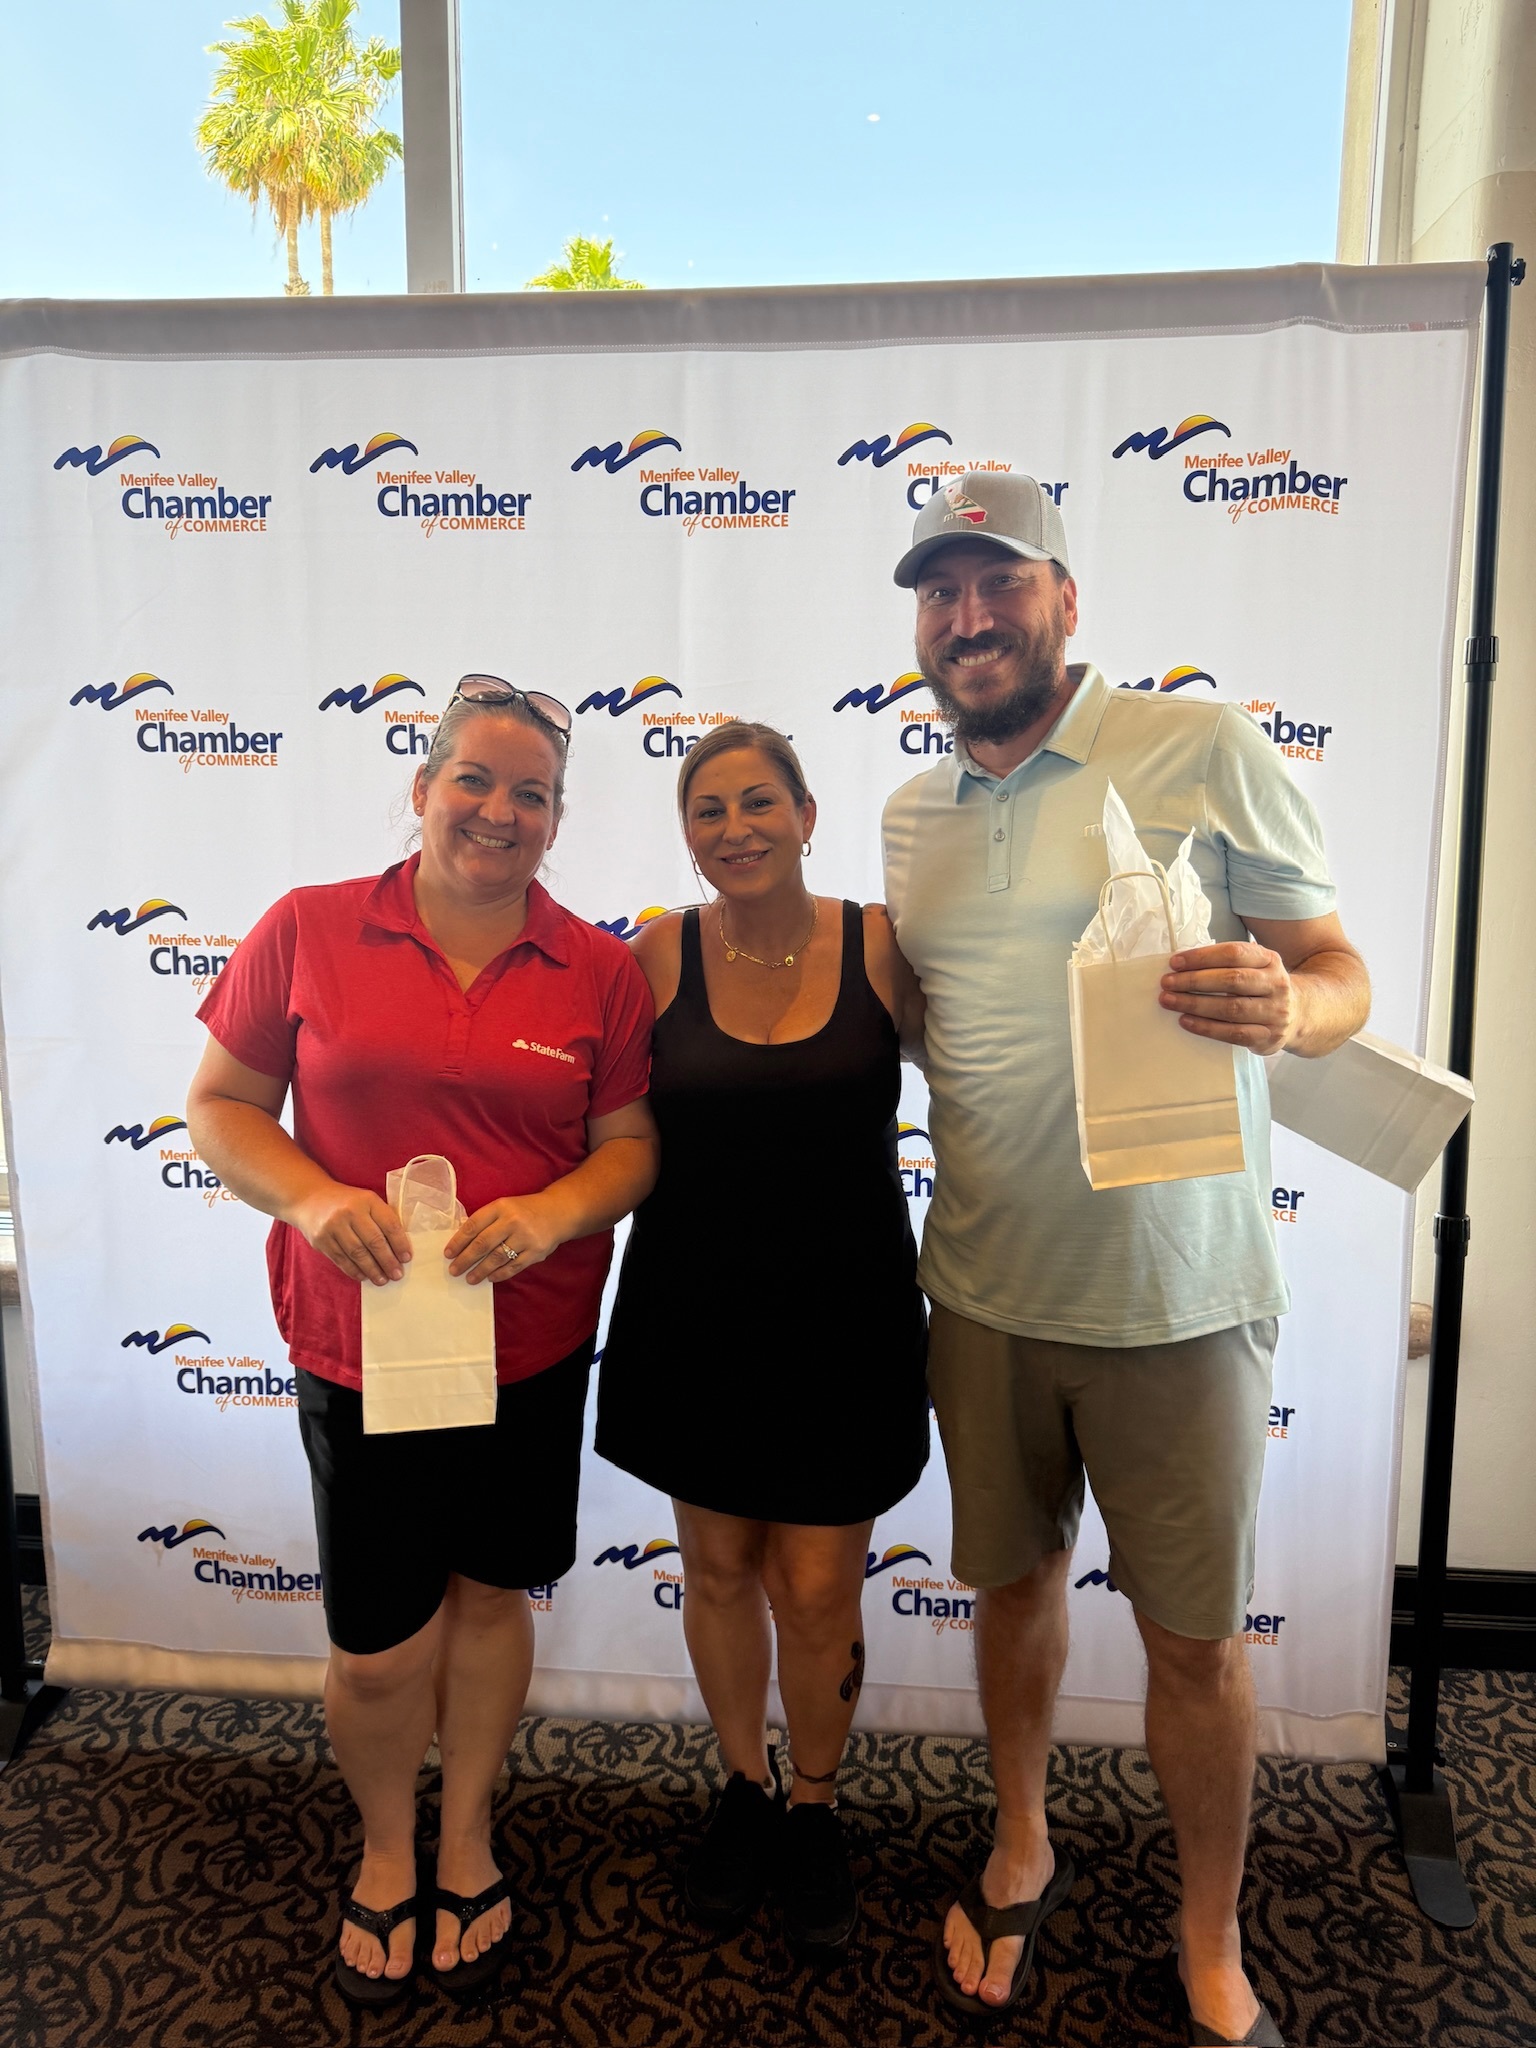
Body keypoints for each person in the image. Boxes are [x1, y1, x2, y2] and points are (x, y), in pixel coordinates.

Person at [881, 476, 1370, 2045]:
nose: (970, 618)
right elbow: (931, 1029)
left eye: (1000, 583)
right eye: (941, 592)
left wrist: (1294, 1007)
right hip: (983, 1292)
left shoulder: (1200, 746)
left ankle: (1209, 1935)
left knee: (1196, 1644)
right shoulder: (910, 816)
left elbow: (1337, 967)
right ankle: (1022, 1841)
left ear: (1065, 600)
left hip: (1180, 1298)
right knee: (1011, 1592)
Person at [185, 677, 657, 2008]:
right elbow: (219, 1105)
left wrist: (554, 1211)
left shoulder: (600, 968)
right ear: (423, 786)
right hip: (358, 1349)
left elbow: (630, 1146)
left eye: (532, 794)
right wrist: (309, 1196)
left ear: (557, 818)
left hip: (529, 1352)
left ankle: (466, 1835)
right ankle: (388, 1846)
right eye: (476, 781)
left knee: (492, 1600)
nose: (500, 812)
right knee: (382, 1643)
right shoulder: (308, 927)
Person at [597, 720, 930, 1955]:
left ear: (805, 813)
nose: (734, 828)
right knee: (722, 1567)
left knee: (821, 1585)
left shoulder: (883, 942)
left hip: (848, 1317)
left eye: (757, 801)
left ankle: (815, 1803)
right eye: (708, 809)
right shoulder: (651, 956)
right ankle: (744, 1783)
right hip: (696, 1315)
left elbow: (995, 1069)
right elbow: (596, 1120)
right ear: (688, 834)